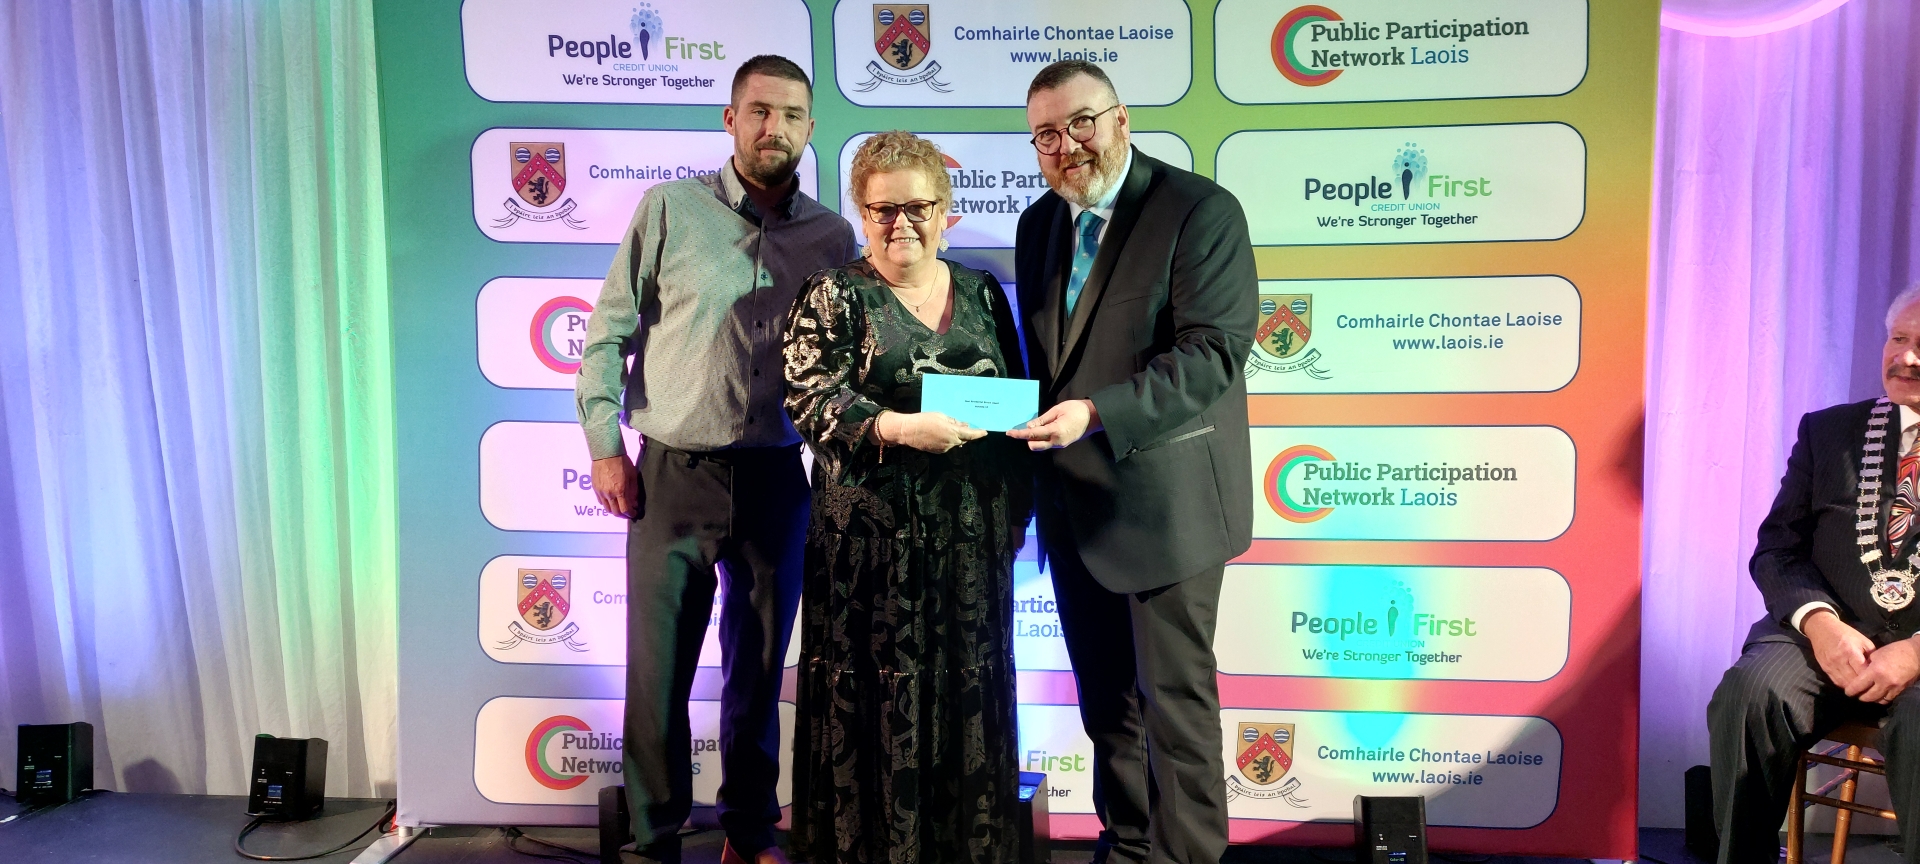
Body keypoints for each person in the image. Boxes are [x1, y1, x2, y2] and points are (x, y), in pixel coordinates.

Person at [574, 55, 858, 864]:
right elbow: (607, 335)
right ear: (731, 120)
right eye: (760, 111)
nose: (775, 127)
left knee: (760, 672)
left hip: (777, 479)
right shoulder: (669, 209)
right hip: (671, 477)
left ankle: (750, 829)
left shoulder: (833, 237)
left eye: (792, 115)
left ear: (810, 128)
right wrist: (605, 448)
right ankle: (653, 838)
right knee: (657, 676)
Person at [1006, 61, 1257, 864]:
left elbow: (1213, 352)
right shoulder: (1039, 224)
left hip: (1168, 508)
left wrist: (1097, 414)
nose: (1066, 146)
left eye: (1081, 123)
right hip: (1074, 508)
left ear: (1120, 119)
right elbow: (1045, 364)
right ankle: (1129, 846)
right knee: (1106, 706)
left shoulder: (1199, 211)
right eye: (1046, 135)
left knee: (1174, 709)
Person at [782, 130, 1032, 864]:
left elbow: (1014, 400)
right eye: (882, 209)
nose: (901, 223)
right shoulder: (833, 293)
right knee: (875, 697)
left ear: (945, 210)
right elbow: (807, 396)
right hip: (869, 555)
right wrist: (896, 427)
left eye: (917, 207)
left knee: (966, 691)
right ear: (862, 214)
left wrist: (1018, 509)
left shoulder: (982, 291)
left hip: (969, 544)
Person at [1709, 284, 1920, 864]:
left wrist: (1915, 652)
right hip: (1823, 639)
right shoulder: (1828, 433)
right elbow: (1778, 549)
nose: (1906, 357)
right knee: (1751, 693)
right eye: (1899, 339)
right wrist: (1821, 624)